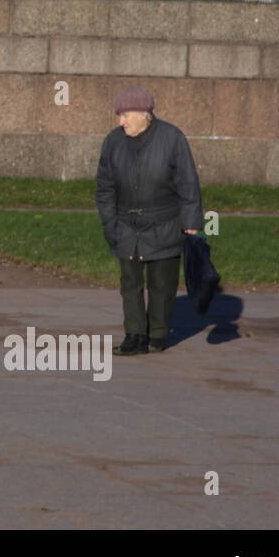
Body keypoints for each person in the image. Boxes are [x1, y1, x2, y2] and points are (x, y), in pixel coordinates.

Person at [94, 87, 203, 356]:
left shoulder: (172, 138)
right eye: (119, 116)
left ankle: (157, 334)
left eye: (125, 115)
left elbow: (188, 183)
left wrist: (191, 223)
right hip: (125, 224)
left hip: (165, 222)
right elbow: (104, 186)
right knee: (129, 283)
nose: (121, 122)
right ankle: (134, 335)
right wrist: (109, 221)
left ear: (145, 114)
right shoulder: (113, 142)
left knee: (162, 283)